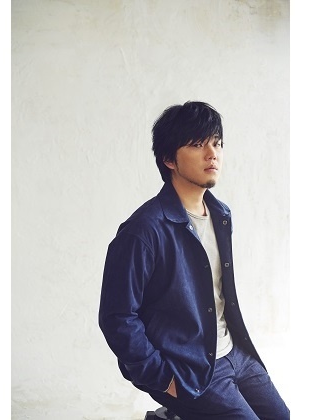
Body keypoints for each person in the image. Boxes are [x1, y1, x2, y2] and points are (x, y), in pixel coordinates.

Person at [98, 101, 290, 419]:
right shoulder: (143, 230)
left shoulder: (220, 215)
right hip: (187, 370)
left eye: (217, 143)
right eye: (198, 144)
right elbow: (117, 317)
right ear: (169, 159)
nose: (212, 153)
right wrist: (164, 378)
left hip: (235, 354)